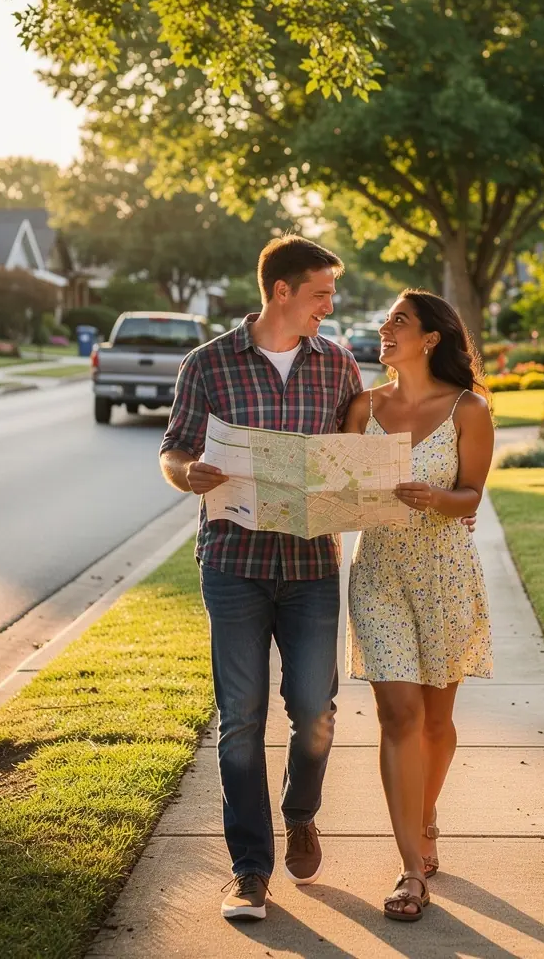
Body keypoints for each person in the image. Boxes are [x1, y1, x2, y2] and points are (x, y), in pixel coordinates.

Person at [159, 235, 362, 921]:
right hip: (233, 565)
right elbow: (174, 450)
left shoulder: (336, 365)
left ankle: (301, 813)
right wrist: (189, 475)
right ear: (281, 291)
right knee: (240, 721)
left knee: (314, 710)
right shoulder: (209, 364)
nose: (328, 309)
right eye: (320, 295)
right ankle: (249, 870)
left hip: (311, 568)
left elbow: (354, 453)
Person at [342, 289, 495, 922]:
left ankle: (426, 813)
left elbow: (472, 498)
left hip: (445, 576)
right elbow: (341, 493)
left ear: (430, 338)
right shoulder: (363, 407)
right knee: (397, 713)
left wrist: (435, 497)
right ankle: (410, 867)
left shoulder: (469, 409)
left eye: (398, 320)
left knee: (435, 721)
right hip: (378, 574)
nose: (385, 328)